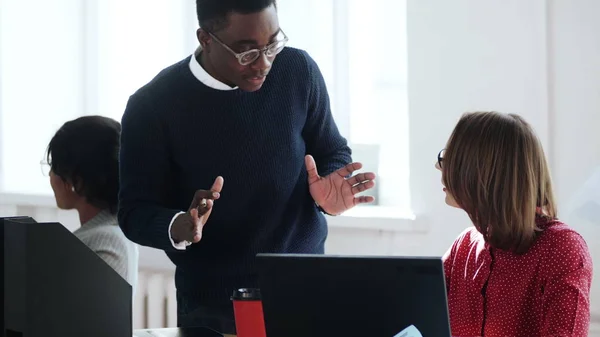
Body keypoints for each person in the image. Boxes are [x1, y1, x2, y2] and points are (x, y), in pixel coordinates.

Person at [117, 0, 376, 333]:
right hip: (212, 306)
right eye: (246, 52)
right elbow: (134, 212)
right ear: (205, 38)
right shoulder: (152, 106)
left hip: (304, 291)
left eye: (272, 44)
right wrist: (180, 225)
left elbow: (332, 150)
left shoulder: (297, 69)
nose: (264, 63)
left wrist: (329, 191)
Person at [437, 111, 593, 336]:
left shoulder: (562, 249)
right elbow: (406, 315)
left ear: (482, 171)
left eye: (449, 158)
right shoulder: (463, 247)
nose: (439, 167)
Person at [46, 115, 138, 287]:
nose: (51, 176)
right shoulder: (118, 230)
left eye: (54, 167)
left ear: (77, 181)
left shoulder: (104, 240)